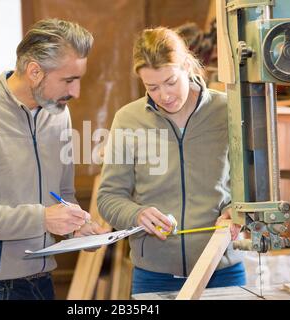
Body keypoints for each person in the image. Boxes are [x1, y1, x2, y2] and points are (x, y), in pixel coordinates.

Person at [0, 18, 107, 300]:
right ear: (34, 71)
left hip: (42, 282)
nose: (76, 92)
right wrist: (42, 218)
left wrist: (77, 227)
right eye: (68, 80)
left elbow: (63, 194)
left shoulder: (59, 114)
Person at [97, 27, 245, 295]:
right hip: (153, 275)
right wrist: (136, 214)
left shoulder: (227, 111)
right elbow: (108, 197)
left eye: (171, 82)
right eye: (151, 87)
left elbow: (254, 183)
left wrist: (238, 209)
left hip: (221, 270)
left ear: (187, 66)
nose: (164, 95)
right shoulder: (127, 120)